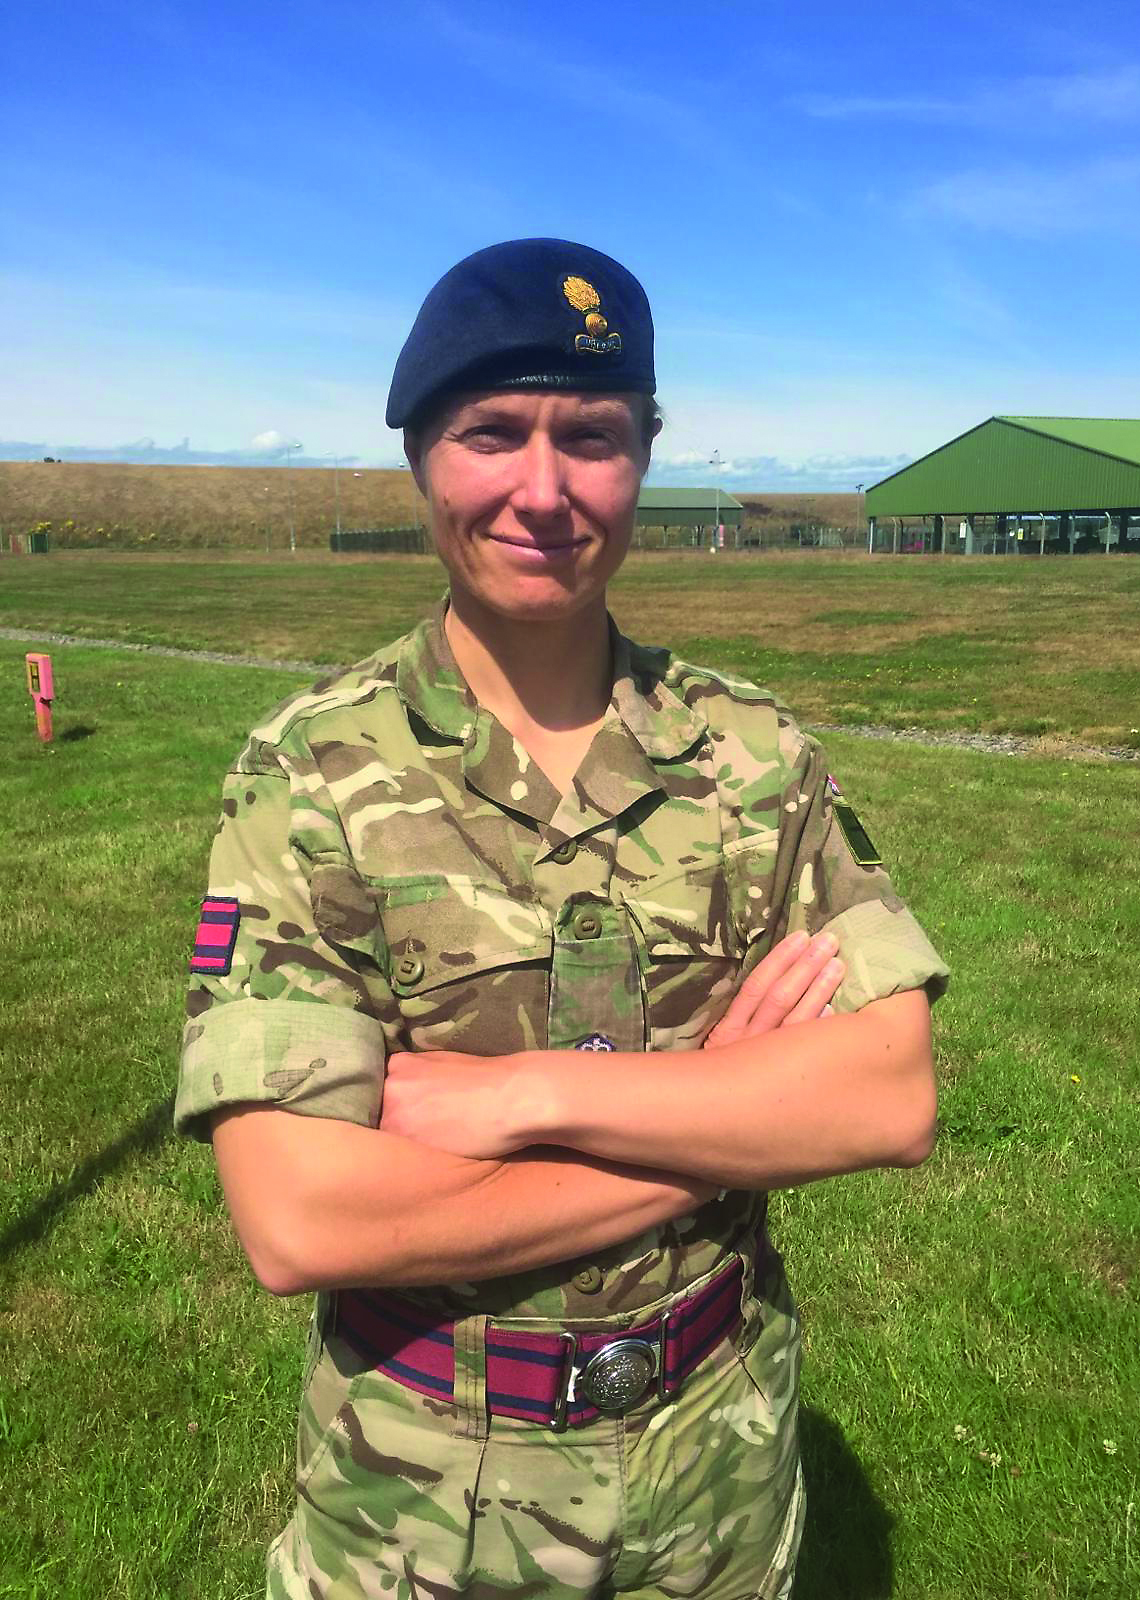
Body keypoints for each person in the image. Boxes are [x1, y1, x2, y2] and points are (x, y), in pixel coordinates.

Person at [176, 238, 949, 1600]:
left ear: (641, 457)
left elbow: (886, 1096)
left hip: (721, 1479)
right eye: (492, 433)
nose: (543, 490)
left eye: (591, 436)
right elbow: (303, 1218)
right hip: (419, 1507)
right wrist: (722, 1121)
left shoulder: (753, 754)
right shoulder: (310, 775)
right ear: (422, 459)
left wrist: (524, 1097)